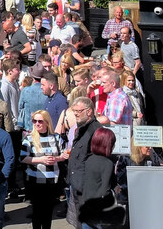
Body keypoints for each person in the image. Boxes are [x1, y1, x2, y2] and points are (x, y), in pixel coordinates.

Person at [21, 110, 65, 229]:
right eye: (34, 121)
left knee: (48, 212)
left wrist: (56, 158)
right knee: (37, 212)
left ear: (47, 122)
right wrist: (41, 160)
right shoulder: (29, 138)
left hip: (51, 180)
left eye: (40, 121)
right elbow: (23, 158)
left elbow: (63, 156)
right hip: (35, 180)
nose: (36, 124)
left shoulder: (56, 137)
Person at [78, 127, 122, 229]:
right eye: (112, 143)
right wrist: (115, 190)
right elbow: (105, 191)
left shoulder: (88, 160)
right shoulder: (107, 164)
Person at [67, 97, 100, 228]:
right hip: (77, 184)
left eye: (78, 111)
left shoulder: (96, 131)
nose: (75, 114)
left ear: (89, 111)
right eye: (74, 111)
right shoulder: (81, 129)